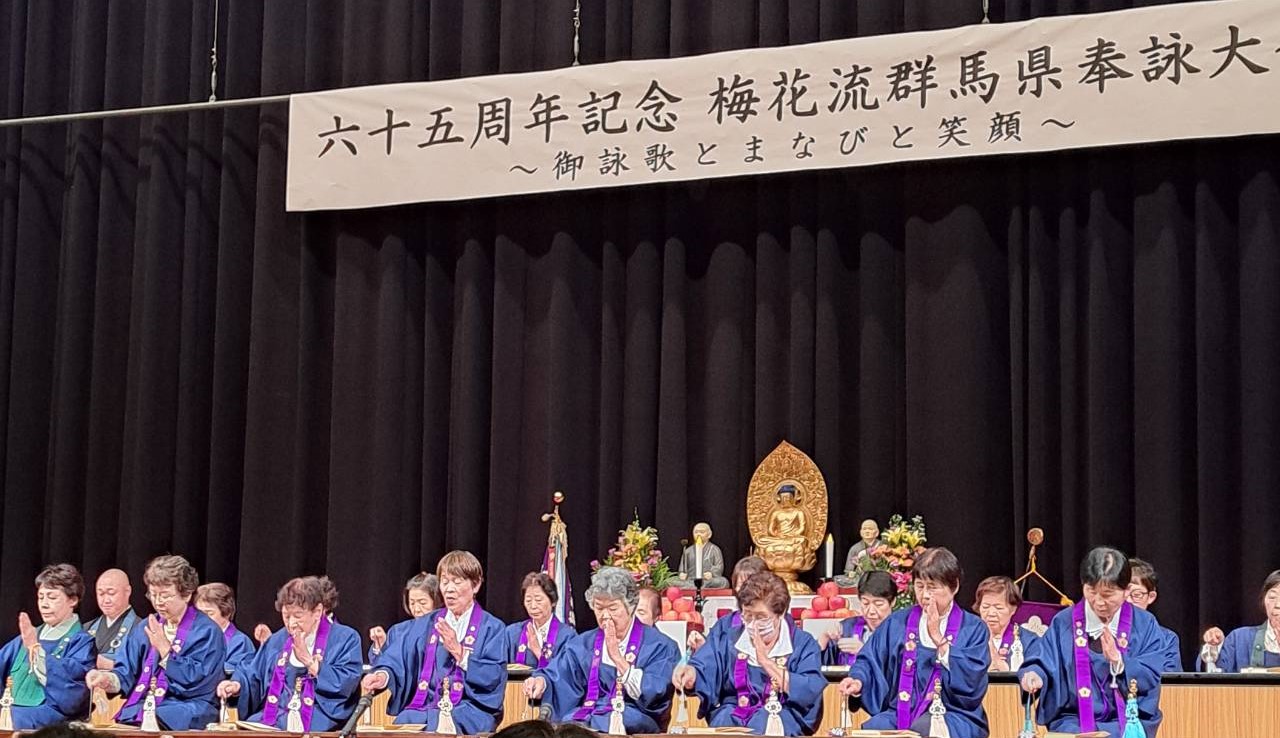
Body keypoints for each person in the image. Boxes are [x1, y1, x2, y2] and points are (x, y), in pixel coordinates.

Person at [840, 547, 990, 738]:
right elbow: (869, 660)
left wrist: (939, 640)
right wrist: (858, 680)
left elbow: (972, 682)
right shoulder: (897, 622)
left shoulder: (973, 628)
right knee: (870, 730)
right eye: (920, 586)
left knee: (926, 729)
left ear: (954, 587)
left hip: (954, 715)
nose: (925, 595)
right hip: (899, 713)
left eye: (932, 587)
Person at [1018, 546, 1165, 738]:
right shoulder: (1064, 621)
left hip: (1126, 722)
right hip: (1072, 721)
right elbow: (1043, 659)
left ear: (1125, 590)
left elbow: (1151, 673)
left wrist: (1119, 662)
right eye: (1091, 591)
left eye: (1107, 595)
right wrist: (1034, 675)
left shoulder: (1145, 624)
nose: (1098, 601)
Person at [362, 551, 508, 733]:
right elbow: (397, 658)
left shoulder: (492, 628)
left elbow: (493, 676)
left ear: (475, 584)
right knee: (405, 721)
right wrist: (383, 676)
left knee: (447, 724)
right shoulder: (425, 624)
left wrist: (460, 654)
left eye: (457, 581)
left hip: (468, 709)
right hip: (424, 707)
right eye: (445, 582)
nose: (449, 589)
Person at [523, 566, 679, 733]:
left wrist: (618, 659)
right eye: (599, 608)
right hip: (586, 717)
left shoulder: (660, 645)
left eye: (612, 608)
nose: (605, 615)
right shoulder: (583, 643)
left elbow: (657, 692)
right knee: (568, 726)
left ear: (631, 607)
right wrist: (542, 682)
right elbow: (560, 674)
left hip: (633, 719)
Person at [673, 571, 825, 734]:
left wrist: (766, 662)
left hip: (780, 714)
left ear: (780, 614)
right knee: (724, 720)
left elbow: (809, 690)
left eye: (761, 617)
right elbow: (707, 664)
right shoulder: (728, 637)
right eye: (748, 615)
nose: (753, 624)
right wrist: (691, 674)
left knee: (763, 722)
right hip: (733, 714)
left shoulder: (803, 644)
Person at [85, 554, 225, 729]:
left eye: (165, 596)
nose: (158, 602)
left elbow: (197, 683)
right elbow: (126, 672)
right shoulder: (145, 627)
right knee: (131, 714)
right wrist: (106, 679)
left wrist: (165, 649)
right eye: (153, 595)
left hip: (190, 705)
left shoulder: (207, 631)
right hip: (148, 704)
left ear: (186, 594)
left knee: (162, 715)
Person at [216, 576, 362, 731]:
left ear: (318, 611)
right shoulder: (277, 640)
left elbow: (347, 683)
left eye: (298, 616)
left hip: (318, 715)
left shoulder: (345, 638)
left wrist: (310, 662)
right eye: (286, 616)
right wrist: (237, 685)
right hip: (274, 716)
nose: (291, 623)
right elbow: (254, 674)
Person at [0, 564, 96, 728]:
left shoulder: (81, 642)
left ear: (73, 600)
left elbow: (72, 694)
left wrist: (37, 652)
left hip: (51, 712)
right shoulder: (28, 636)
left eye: (52, 598)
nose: (44, 604)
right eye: (41, 597)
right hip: (12, 706)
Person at [1199, 569, 1280, 672]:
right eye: (1272, 597)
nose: (1278, 605)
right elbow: (1211, 678)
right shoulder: (1239, 639)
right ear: (1263, 601)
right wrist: (1214, 646)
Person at [819, 570, 896, 666]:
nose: (871, 611)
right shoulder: (847, 628)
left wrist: (864, 652)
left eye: (878, 604)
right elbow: (819, 668)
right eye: (865, 603)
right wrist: (824, 638)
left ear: (892, 602)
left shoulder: (902, 631)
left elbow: (901, 670)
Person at [504, 572, 577, 668]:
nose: (533, 606)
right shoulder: (512, 633)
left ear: (553, 601)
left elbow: (567, 675)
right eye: (528, 601)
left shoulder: (567, 636)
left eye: (538, 600)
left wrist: (538, 652)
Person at [368, 573, 441, 663]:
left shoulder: (445, 630)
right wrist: (382, 647)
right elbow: (383, 666)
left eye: (422, 603)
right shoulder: (398, 631)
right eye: (412, 603)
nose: (417, 609)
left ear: (436, 601)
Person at [1125, 559, 1182, 672]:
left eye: (1136, 595)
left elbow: (1172, 684)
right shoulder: (1103, 633)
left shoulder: (1168, 639)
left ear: (1151, 597)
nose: (1128, 601)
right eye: (1123, 593)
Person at [972, 575, 1039, 672]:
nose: (991, 613)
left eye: (998, 608)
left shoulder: (1029, 641)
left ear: (1013, 609)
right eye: (986, 607)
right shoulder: (968, 638)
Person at [194, 584, 255, 678]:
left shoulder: (240, 642)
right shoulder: (192, 637)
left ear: (226, 612)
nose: (203, 619)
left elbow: (240, 676)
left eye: (209, 613)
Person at [84, 569, 138, 670]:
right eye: (101, 594)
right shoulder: (87, 628)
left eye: (111, 593)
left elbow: (144, 668)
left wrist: (112, 665)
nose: (106, 600)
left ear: (127, 591)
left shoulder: (140, 628)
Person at [676, 523, 730, 589]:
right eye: (696, 532)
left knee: (724, 582)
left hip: (707, 580)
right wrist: (682, 574)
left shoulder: (714, 549)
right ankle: (697, 586)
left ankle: (697, 587)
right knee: (671, 582)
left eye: (702, 532)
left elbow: (719, 566)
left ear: (709, 535)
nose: (698, 534)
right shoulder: (688, 551)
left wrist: (712, 573)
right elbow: (682, 568)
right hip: (691, 580)